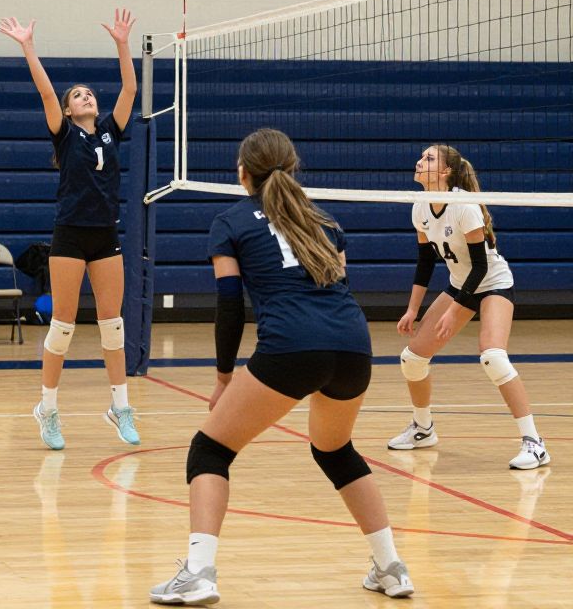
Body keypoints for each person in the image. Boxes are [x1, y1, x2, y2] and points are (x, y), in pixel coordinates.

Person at [150, 128, 414, 605]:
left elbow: (229, 304)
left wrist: (224, 377)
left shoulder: (229, 222)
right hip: (354, 346)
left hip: (292, 346)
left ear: (242, 173)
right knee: (336, 451)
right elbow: (339, 287)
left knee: (209, 451)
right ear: (292, 169)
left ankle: (199, 573)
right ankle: (391, 568)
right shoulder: (325, 222)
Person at [0, 8, 140, 450]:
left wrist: (121, 43)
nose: (86, 97)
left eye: (89, 94)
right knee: (62, 325)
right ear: (67, 108)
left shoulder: (111, 133)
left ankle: (120, 408)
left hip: (106, 235)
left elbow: (131, 88)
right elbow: (44, 92)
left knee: (112, 326)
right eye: (77, 95)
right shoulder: (64, 134)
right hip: (70, 235)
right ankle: (49, 409)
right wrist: (28, 46)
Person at [389, 144, 549, 470]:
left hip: (493, 283)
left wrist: (453, 309)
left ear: (446, 172)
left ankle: (535, 444)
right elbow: (424, 263)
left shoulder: (464, 206)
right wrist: (412, 309)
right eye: (421, 157)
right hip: (461, 285)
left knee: (493, 356)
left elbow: (480, 268)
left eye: (429, 158)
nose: (420, 162)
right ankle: (423, 429)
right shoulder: (420, 207)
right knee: (412, 359)